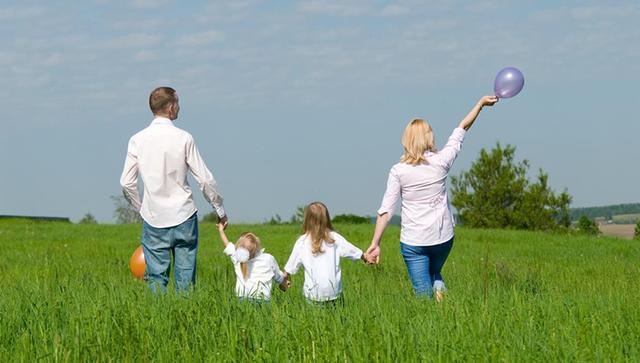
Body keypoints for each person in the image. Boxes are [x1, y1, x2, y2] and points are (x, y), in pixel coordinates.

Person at [366, 95, 498, 300]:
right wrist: (480, 104)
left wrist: (376, 243)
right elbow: (461, 129)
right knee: (435, 272)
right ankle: (441, 293)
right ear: (428, 138)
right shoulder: (441, 161)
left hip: (414, 241)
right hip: (443, 238)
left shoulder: (398, 171)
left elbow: (386, 210)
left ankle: (435, 313)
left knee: (422, 295)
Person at [120, 86, 227, 294]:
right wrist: (219, 209)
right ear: (170, 108)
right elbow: (204, 179)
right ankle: (185, 321)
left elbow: (126, 182)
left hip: (154, 218)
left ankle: (160, 323)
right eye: (177, 103)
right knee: (186, 281)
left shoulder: (137, 140)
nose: (179, 107)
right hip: (184, 216)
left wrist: (140, 207)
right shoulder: (184, 138)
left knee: (156, 280)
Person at [284, 202, 373, 305]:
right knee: (336, 317)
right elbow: (351, 249)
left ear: (307, 220)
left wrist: (285, 278)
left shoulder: (302, 242)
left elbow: (291, 264)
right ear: (326, 219)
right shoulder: (334, 238)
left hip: (312, 293)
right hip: (333, 291)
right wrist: (364, 256)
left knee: (314, 320)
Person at [217, 224, 289, 302]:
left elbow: (227, 245)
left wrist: (221, 230)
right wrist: (285, 280)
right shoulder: (268, 258)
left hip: (241, 299)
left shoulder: (237, 257)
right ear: (257, 246)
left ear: (239, 248)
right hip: (262, 300)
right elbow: (279, 277)